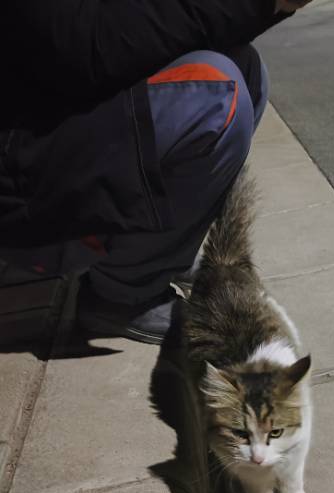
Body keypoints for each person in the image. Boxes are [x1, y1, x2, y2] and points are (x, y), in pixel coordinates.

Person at [0, 0, 312, 344]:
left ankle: (158, 253)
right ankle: (121, 294)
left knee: (246, 69)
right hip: (22, 174)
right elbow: (90, 46)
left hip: (56, 119)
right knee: (217, 94)